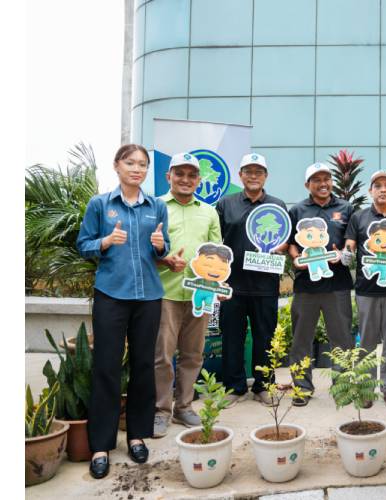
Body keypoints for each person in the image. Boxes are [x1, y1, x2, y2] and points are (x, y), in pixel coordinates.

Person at [76, 144, 170, 479]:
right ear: (117, 166)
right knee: (106, 367)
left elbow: (163, 248)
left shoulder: (156, 206)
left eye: (142, 164)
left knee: (145, 366)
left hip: (148, 297)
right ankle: (101, 446)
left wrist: (161, 246)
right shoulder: (100, 204)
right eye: (130, 163)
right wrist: (103, 241)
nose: (137, 169)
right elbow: (83, 244)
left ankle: (137, 436)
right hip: (111, 296)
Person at [152, 152, 222, 438]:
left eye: (192, 175)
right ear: (169, 176)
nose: (185, 179)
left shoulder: (209, 211)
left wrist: (219, 284)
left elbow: (218, 254)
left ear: (199, 180)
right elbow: (144, 248)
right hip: (164, 292)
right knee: (162, 356)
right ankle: (160, 410)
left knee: (193, 355)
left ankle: (184, 407)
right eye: (179, 173)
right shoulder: (155, 206)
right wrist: (165, 258)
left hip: (200, 294)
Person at [216, 153, 287, 407]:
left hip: (266, 285)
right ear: (241, 175)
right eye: (248, 171)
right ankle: (234, 387)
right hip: (233, 285)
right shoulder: (226, 204)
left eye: (258, 171)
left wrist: (281, 247)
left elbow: (286, 239)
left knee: (265, 337)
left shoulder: (277, 205)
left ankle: (263, 385)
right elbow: (217, 243)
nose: (253, 175)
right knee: (232, 337)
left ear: (265, 176)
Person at [287, 162, 355, 406]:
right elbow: (290, 242)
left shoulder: (345, 207)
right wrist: (296, 259)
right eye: (316, 180)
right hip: (306, 286)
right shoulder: (297, 210)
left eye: (326, 178)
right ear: (308, 185)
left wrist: (346, 254)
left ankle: (342, 385)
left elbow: (351, 238)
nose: (323, 183)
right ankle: (302, 387)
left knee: (342, 339)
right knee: (301, 339)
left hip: (337, 284)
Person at [344, 170, 386, 409]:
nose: (383, 189)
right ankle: (366, 388)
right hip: (366, 290)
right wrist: (347, 254)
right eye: (378, 185)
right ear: (370, 191)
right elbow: (350, 245)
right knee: (367, 341)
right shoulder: (359, 218)